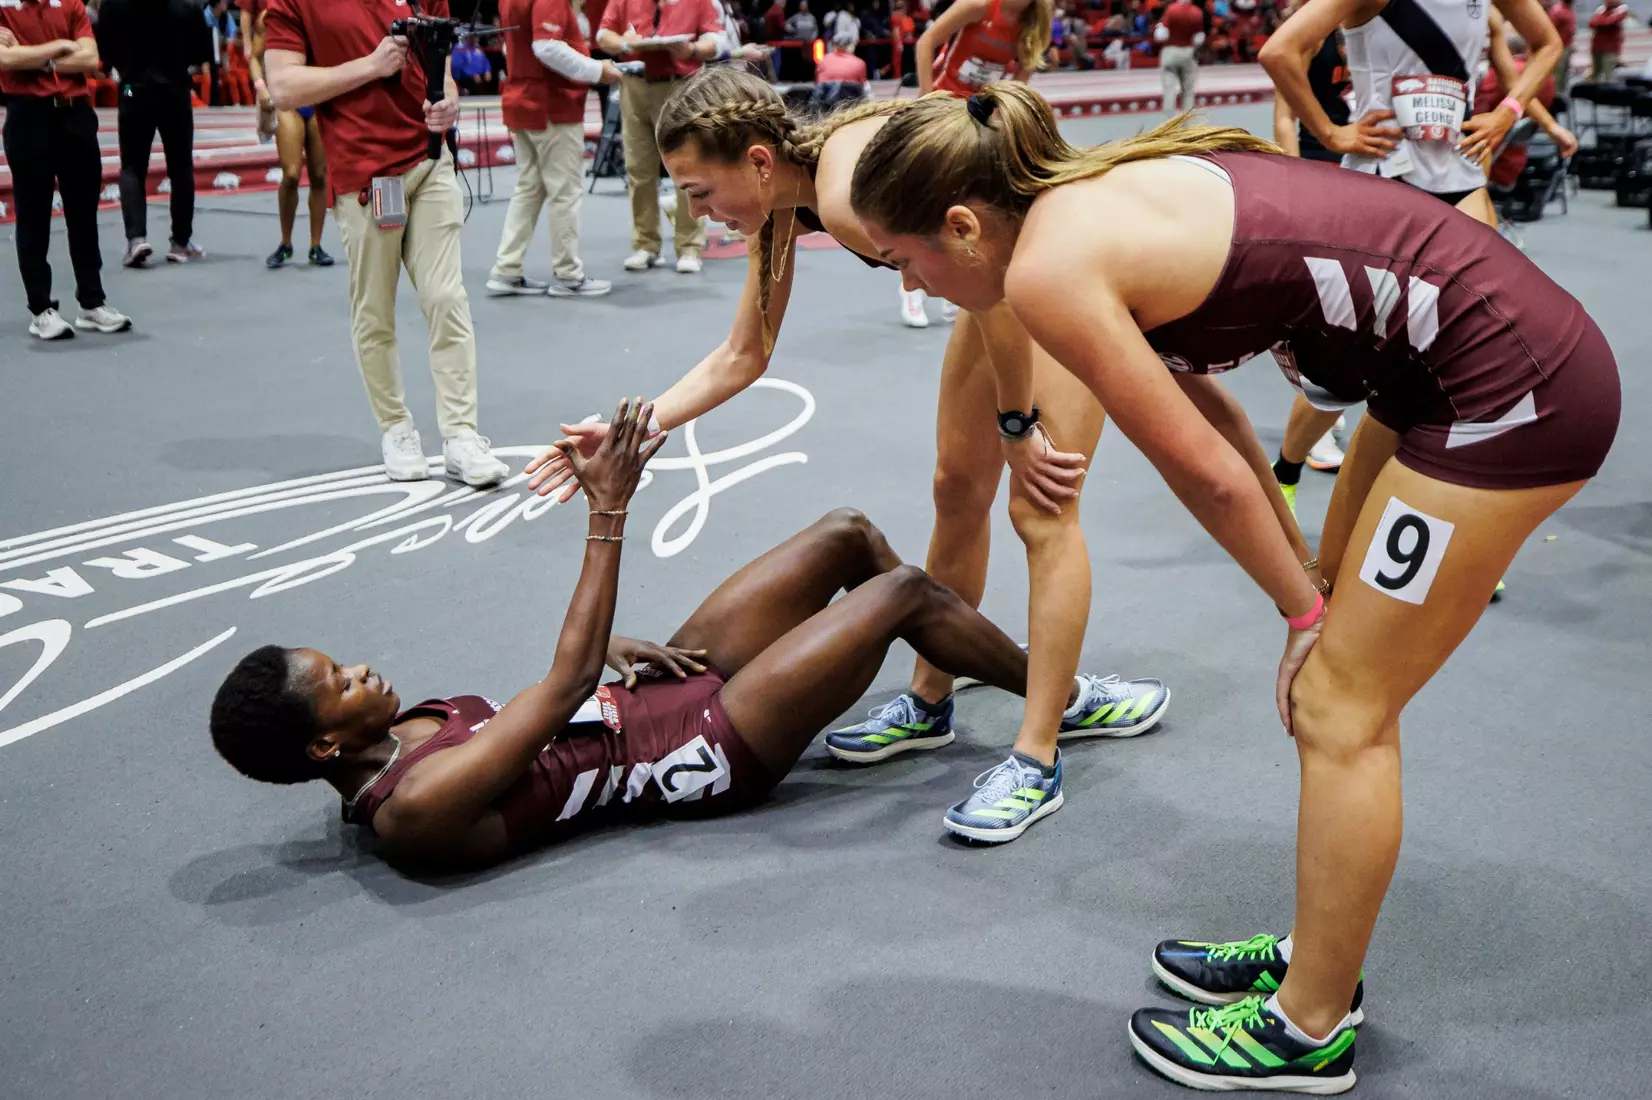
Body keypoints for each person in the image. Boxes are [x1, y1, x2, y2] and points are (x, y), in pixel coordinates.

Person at [848, 80, 1620, 1094]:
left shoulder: (1045, 268)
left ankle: (1306, 1032)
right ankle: (1319, 960)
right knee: (1335, 686)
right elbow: (1209, 413)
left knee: (1339, 703)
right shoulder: (1086, 197)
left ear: (959, 223)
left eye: (900, 258)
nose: (905, 281)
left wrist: (1300, 615)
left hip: (1506, 389)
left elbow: (1202, 473)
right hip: (1440, 375)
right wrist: (1304, 575)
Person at [525, 68, 1177, 846]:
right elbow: (744, 353)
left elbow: (999, 298)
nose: (696, 214)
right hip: (994, 289)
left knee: (1040, 504)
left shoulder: (842, 192)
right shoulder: (784, 201)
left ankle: (1040, 750)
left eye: (700, 193)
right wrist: (632, 428)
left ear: (759, 161)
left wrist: (1017, 425)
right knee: (955, 491)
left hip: (1059, 278)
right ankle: (932, 701)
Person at [211, 402, 1041, 872]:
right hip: (704, 751)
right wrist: (607, 509)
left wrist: (607, 651)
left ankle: (936, 695)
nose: (361, 669)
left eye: (342, 664)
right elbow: (560, 693)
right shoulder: (413, 811)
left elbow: (557, 697)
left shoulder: (393, 733)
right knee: (900, 592)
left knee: (847, 533)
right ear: (324, 748)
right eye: (343, 683)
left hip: (653, 688)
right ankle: (1058, 699)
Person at [1261, 0, 1565, 526]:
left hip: (1460, 181)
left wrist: (1508, 112)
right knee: (1350, 362)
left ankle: (1429, 507)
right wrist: (1333, 136)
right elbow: (1278, 51)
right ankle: (1285, 472)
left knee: (1467, 350)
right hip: (1384, 183)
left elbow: (1549, 45)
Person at [263, 0, 509, 488]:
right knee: (375, 308)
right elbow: (284, 87)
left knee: (446, 297)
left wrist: (450, 98)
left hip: (430, 160)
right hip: (367, 174)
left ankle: (461, 435)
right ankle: (396, 429)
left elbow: (437, 61)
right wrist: (371, 67)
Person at [908, 0, 1052, 326]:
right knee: (930, 201)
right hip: (942, 109)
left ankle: (951, 286)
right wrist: (927, 96)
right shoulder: (977, 5)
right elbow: (926, 42)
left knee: (971, 205)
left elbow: (1016, 85)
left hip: (980, 121)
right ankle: (911, 288)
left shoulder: (1035, 26)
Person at [0, 3, 132, 340]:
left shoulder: (71, 4)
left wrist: (33, 56)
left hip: (75, 115)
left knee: (84, 214)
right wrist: (61, 47)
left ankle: (91, 303)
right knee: (33, 214)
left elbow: (90, 60)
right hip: (28, 116)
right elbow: (5, 60)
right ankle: (40, 308)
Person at [487, 0, 623, 299]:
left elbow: (519, 47)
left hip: (522, 99)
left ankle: (507, 268)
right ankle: (568, 274)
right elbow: (546, 47)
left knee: (529, 187)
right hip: (550, 105)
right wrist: (596, 69)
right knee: (565, 191)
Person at [596, 0, 727, 275]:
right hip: (634, 84)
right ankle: (646, 245)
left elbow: (716, 40)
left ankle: (689, 246)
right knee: (638, 168)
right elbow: (602, 36)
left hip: (680, 84)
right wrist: (624, 45)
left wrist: (691, 49)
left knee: (687, 167)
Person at [97, 0, 212, 268]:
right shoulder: (187, 4)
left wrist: (124, 66)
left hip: (132, 89)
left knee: (132, 166)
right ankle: (181, 243)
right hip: (174, 89)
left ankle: (136, 239)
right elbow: (201, 53)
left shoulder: (114, 4)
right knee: (181, 166)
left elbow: (104, 49)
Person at [242, 0, 333, 269]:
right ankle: (286, 242)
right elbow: (255, 58)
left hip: (317, 100)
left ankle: (316, 246)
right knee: (291, 173)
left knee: (318, 174)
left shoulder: (322, 13)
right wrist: (261, 88)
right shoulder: (272, 16)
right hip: (288, 103)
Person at [1154, 0, 1204, 112]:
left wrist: (1158, 28)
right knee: (1188, 91)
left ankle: (1170, 122)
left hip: (1170, 51)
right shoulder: (1197, 12)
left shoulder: (1172, 10)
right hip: (1188, 52)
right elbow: (1199, 38)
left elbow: (1162, 36)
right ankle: (1188, 122)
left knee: (1169, 90)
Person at [1586, 0, 1625, 81]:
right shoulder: (1601, 9)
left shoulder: (1622, 9)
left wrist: (1600, 21)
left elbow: (1609, 22)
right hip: (1597, 47)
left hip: (1610, 49)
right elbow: (1591, 23)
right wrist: (1604, 21)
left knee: (1608, 75)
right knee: (1595, 74)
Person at [1549, 0, 1576, 93]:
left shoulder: (1569, 10)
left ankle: (1561, 95)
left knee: (1564, 73)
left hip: (1567, 47)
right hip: (1559, 48)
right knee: (1558, 74)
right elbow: (1551, 30)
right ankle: (1555, 96)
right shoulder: (1558, 11)